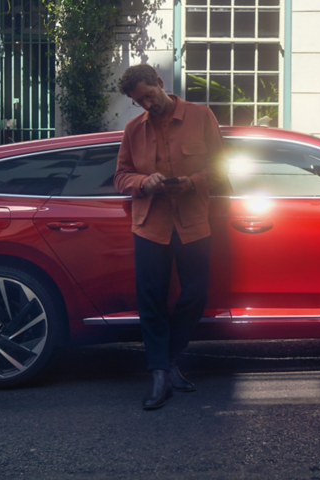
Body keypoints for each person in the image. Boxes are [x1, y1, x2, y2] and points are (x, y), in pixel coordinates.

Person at [114, 64, 227, 410]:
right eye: (139, 101)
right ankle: (160, 375)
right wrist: (141, 183)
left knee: (195, 295)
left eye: (149, 95)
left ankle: (170, 357)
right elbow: (121, 176)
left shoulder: (200, 116)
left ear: (161, 84)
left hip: (193, 220)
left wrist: (193, 182)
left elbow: (222, 167)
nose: (146, 104)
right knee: (151, 301)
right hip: (150, 225)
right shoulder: (134, 130)